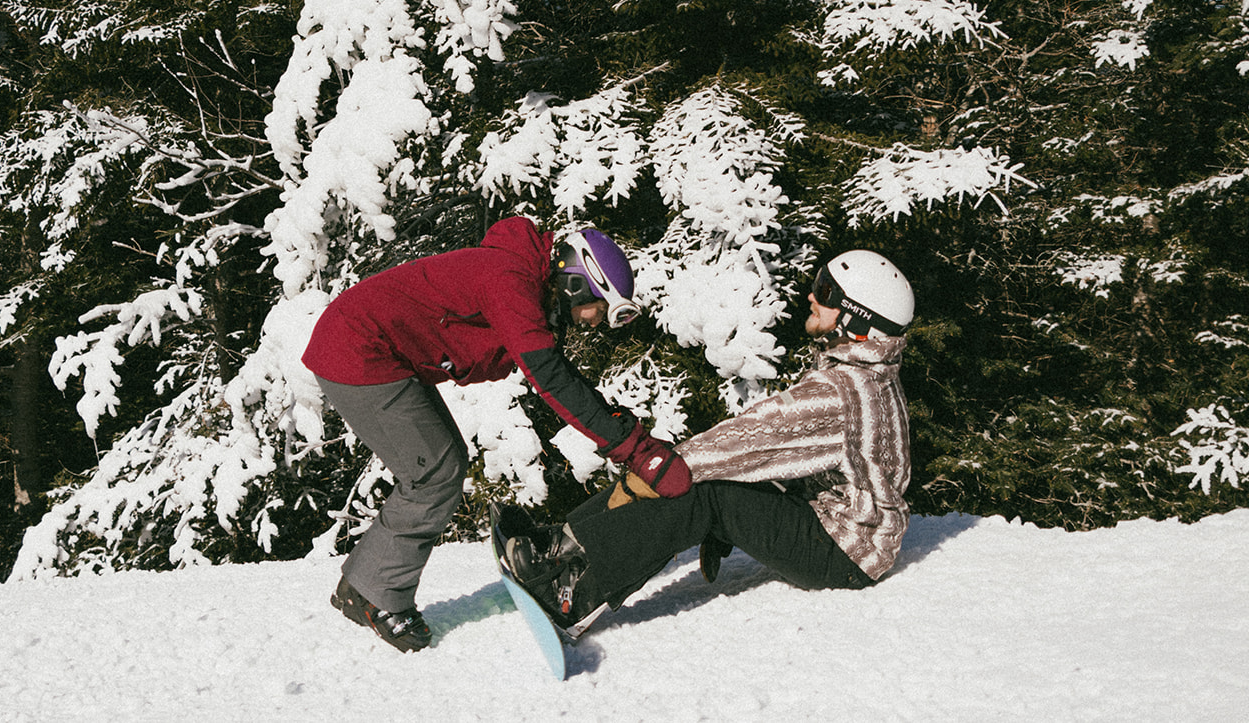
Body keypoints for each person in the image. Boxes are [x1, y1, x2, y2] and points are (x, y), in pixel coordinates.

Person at [305, 215, 691, 652]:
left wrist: (620, 429)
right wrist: (636, 451)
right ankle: (373, 595)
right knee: (434, 471)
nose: (592, 323)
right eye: (597, 309)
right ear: (577, 283)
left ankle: (365, 585)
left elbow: (559, 375)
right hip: (357, 348)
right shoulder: (510, 283)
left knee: (442, 463)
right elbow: (551, 378)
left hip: (371, 347)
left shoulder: (522, 282)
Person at [500, 249, 915, 635]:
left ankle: (571, 595)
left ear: (858, 318)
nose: (812, 295)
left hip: (844, 552)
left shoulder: (843, 391)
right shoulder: (865, 377)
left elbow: (753, 435)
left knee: (688, 483)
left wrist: (660, 468)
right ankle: (559, 543)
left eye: (826, 292)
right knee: (676, 472)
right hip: (835, 528)